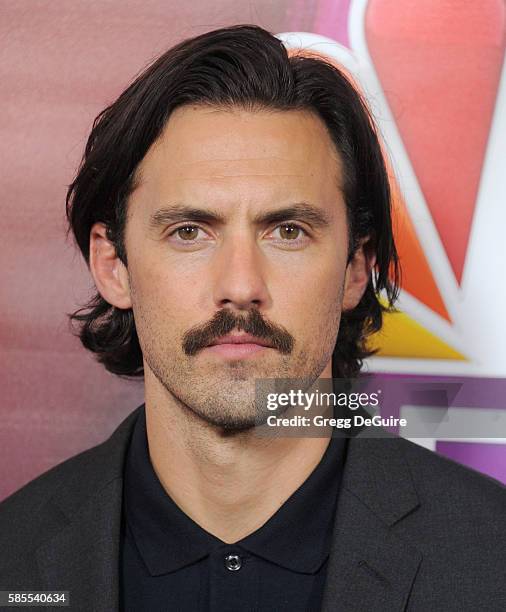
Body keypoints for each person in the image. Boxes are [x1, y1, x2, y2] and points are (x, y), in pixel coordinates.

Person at [0, 23, 505, 612]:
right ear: (114, 266)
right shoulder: (15, 555)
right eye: (189, 232)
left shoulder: (492, 558)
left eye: (288, 231)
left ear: (354, 269)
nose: (241, 287)